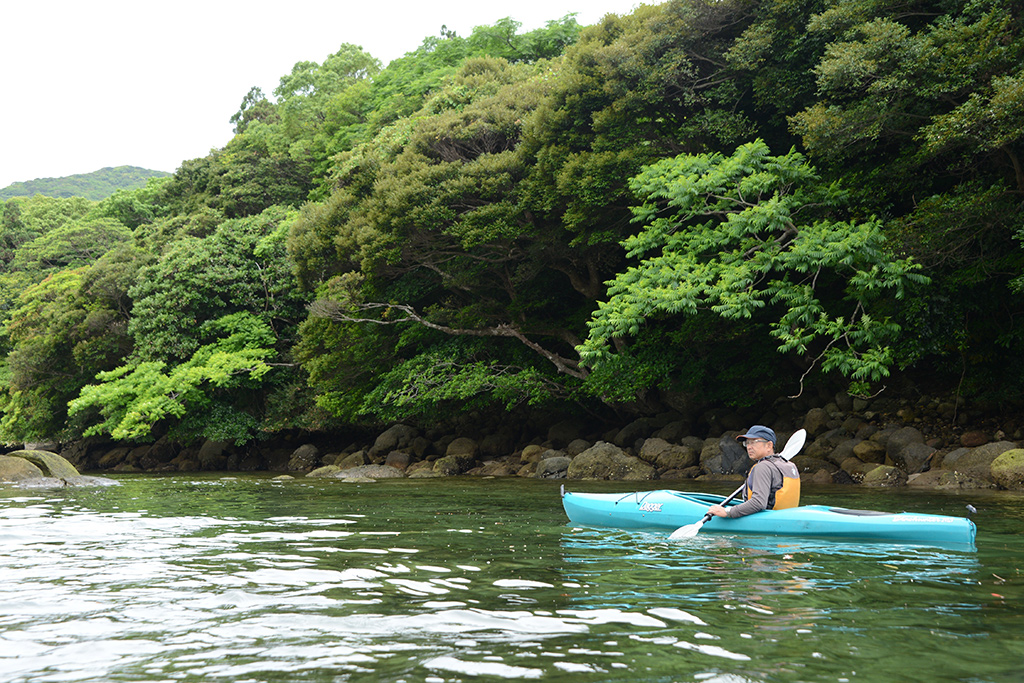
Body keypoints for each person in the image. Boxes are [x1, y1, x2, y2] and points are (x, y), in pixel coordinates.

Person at [707, 425, 800, 518]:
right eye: (747, 443)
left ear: (769, 445)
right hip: (786, 518)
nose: (749, 447)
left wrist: (728, 512)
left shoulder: (762, 467)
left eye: (754, 442)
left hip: (767, 521)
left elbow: (758, 503)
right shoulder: (789, 465)